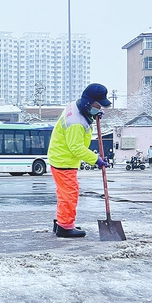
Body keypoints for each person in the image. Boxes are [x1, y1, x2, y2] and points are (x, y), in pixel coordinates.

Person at [48, 83, 112, 238]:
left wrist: (92, 115)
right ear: (88, 103)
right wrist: (96, 159)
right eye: (97, 105)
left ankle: (61, 222)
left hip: (59, 156)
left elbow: (84, 117)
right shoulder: (76, 122)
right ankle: (65, 227)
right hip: (64, 160)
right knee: (70, 194)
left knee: (64, 194)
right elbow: (76, 147)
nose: (99, 108)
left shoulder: (76, 106)